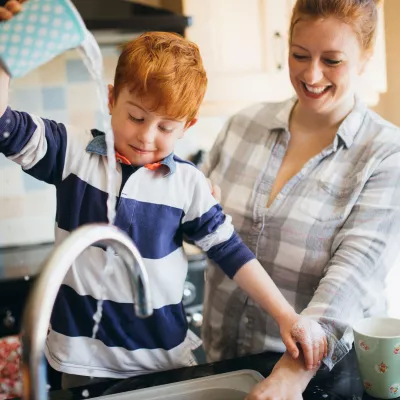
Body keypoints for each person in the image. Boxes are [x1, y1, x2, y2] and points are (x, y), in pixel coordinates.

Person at [0, 0, 328, 393]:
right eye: (136, 117)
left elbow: (232, 252)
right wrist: (3, 59)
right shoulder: (70, 153)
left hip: (165, 363)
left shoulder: (187, 184)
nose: (146, 136)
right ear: (111, 99)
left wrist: (286, 316)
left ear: (187, 126)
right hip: (82, 361)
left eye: (166, 127)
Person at [202, 0, 400, 399]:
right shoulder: (243, 126)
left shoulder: (385, 153)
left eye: (332, 60)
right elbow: (191, 224)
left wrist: (294, 372)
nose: (311, 75)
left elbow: (351, 278)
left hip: (314, 381)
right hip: (219, 366)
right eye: (299, 55)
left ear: (364, 59)